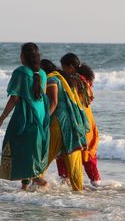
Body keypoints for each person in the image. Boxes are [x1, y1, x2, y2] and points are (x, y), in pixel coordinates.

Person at [0, 43, 50, 190]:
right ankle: (25, 187)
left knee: (17, 145)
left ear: (23, 57)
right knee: (31, 149)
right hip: (40, 116)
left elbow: (14, 99)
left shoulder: (21, 72)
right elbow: (42, 96)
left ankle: (39, 180)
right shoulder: (43, 74)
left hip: (25, 116)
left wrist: (1, 120)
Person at [40, 59, 90, 191]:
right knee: (74, 161)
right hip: (72, 124)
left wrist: (43, 120)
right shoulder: (64, 79)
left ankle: (34, 186)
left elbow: (53, 103)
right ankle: (79, 192)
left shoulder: (51, 80)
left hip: (58, 122)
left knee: (44, 155)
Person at [58, 53, 102, 187]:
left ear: (70, 67)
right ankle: (96, 183)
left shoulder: (74, 80)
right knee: (88, 154)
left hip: (79, 120)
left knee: (67, 151)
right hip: (88, 119)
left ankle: (65, 181)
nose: (64, 70)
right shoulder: (85, 79)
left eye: (64, 68)